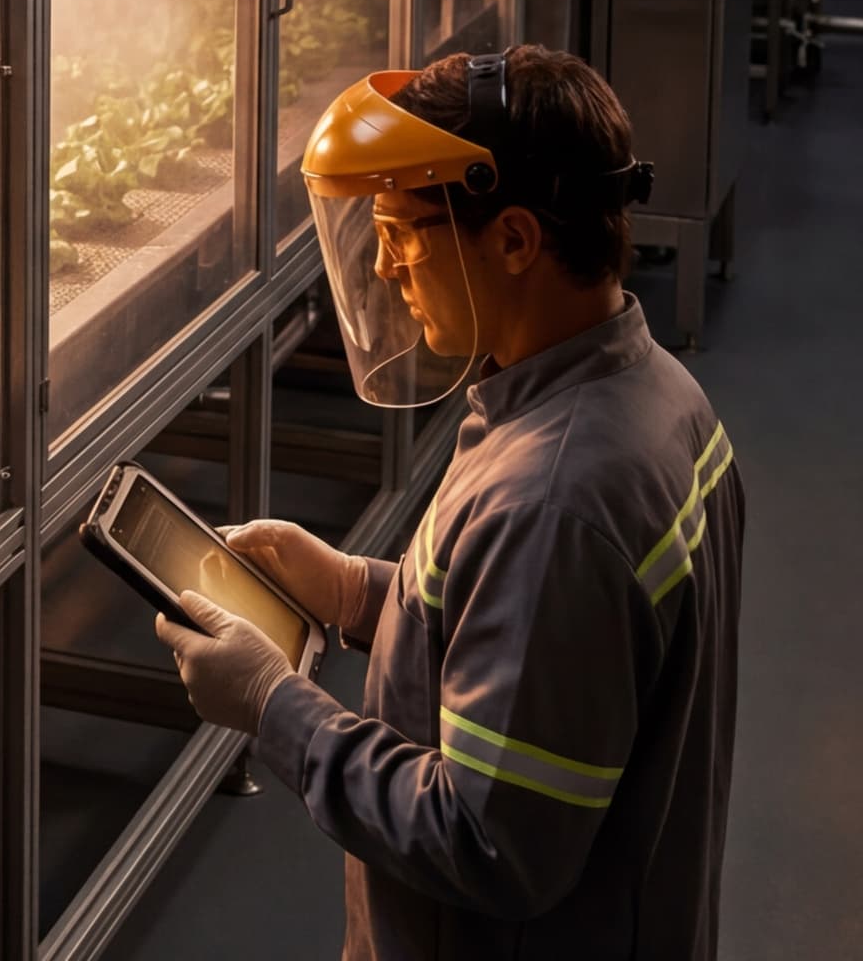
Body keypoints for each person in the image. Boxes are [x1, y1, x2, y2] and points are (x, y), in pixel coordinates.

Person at [154, 47, 743, 959]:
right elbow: (537, 639)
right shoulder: (653, 398)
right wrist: (358, 593)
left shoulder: (555, 501)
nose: (386, 268)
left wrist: (274, 705)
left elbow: (487, 841)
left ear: (513, 240)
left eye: (402, 230)